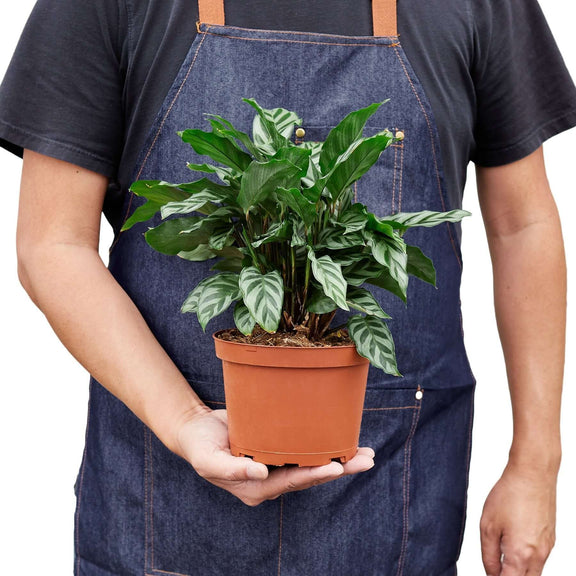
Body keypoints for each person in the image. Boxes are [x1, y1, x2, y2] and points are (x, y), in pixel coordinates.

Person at [1, 0, 574, 574]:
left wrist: (536, 463)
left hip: (397, 496)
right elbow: (53, 245)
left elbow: (523, 227)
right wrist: (182, 421)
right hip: (166, 503)